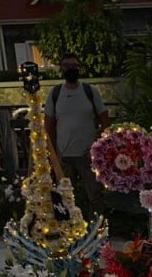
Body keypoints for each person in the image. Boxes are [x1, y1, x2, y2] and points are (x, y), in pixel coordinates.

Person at [44, 54, 109, 214]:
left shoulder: (90, 91)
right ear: (61, 69)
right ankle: (68, 230)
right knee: (65, 198)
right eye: (66, 65)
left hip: (88, 156)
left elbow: (105, 120)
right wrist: (52, 154)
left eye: (73, 65)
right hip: (64, 156)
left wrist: (98, 147)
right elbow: (49, 125)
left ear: (79, 67)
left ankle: (98, 227)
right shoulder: (55, 93)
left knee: (95, 195)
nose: (70, 68)